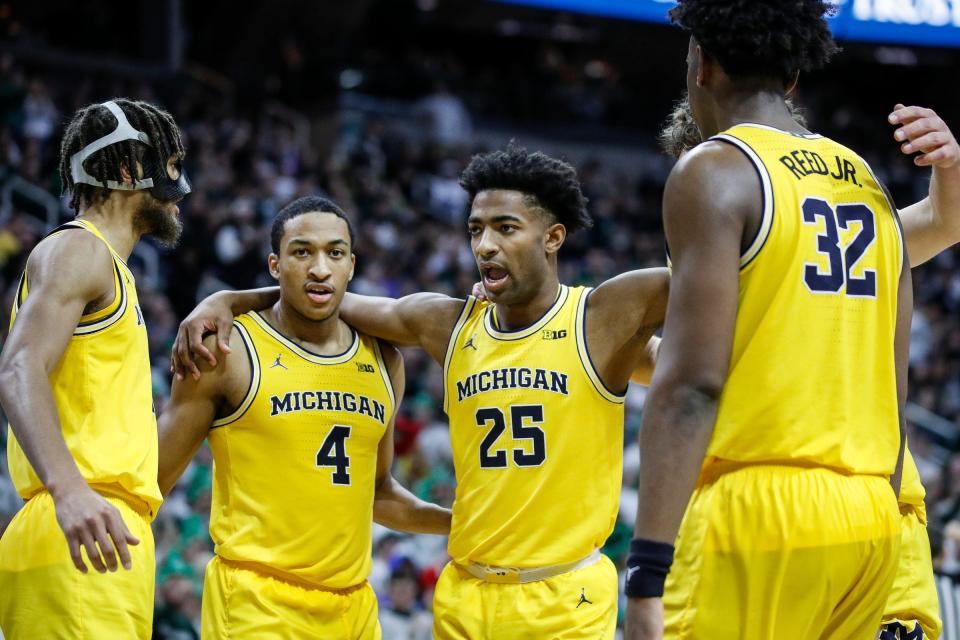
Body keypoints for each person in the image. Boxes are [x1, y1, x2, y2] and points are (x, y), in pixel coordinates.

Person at [172, 145, 669, 638]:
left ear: (553, 237)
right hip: (464, 593)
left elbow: (718, 275)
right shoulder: (446, 322)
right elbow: (321, 297)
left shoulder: (599, 319)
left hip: (564, 593)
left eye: (506, 227)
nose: (485, 245)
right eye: (476, 229)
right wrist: (225, 299)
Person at [625, 1, 915, 637]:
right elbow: (895, 390)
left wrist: (646, 569)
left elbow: (692, 385)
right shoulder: (869, 182)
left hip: (758, 513)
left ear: (702, 65)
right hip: (869, 516)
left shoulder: (713, 168)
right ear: (792, 78)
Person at [658, 95, 960, 640]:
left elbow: (943, 219)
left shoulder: (824, 225)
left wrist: (952, 166)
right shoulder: (817, 234)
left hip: (841, 508)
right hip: (862, 512)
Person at [158, 196, 451, 638]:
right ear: (275, 265)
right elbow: (154, 478)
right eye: (302, 252)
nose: (319, 268)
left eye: (334, 253)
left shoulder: (384, 359)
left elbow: (378, 493)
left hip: (354, 609)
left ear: (350, 266)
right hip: (258, 604)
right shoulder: (226, 349)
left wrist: (458, 520)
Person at [0, 98, 191, 638]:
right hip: (78, 529)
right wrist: (69, 490)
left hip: (104, 534)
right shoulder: (80, 250)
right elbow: (17, 368)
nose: (181, 186)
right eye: (170, 165)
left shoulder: (113, 273)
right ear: (130, 171)